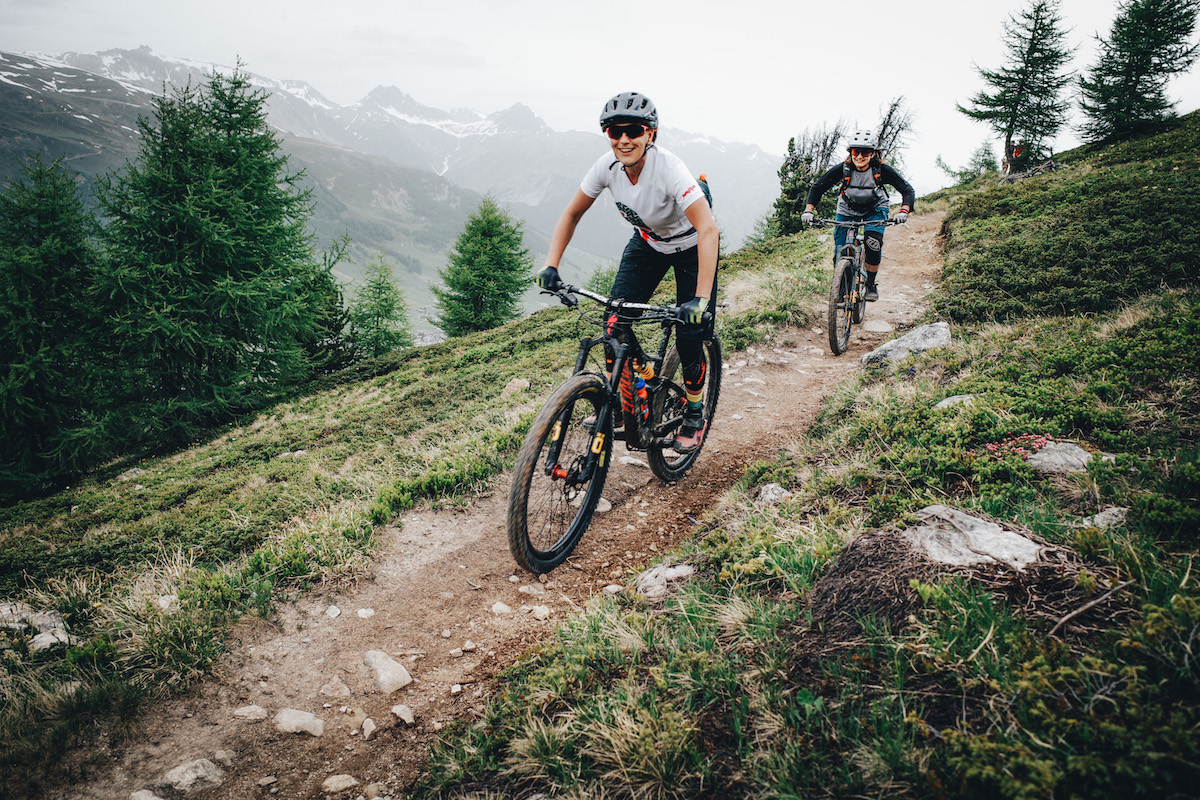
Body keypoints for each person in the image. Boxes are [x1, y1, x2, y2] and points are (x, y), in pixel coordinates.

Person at [536, 92, 719, 453]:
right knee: (614, 324)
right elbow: (572, 213)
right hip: (648, 245)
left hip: (691, 247)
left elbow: (708, 230)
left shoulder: (668, 169)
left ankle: (695, 412)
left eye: (633, 130)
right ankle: (622, 403)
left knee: (689, 335)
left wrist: (699, 299)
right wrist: (551, 265)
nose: (623, 139)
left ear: (651, 134)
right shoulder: (605, 167)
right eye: (614, 130)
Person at [801, 130, 915, 301]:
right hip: (847, 209)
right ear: (850, 152)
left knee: (873, 243)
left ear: (873, 153)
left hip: (875, 209)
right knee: (840, 248)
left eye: (865, 152)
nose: (860, 156)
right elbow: (818, 187)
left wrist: (904, 211)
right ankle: (841, 284)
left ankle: (871, 284)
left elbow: (907, 190)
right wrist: (808, 210)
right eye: (855, 151)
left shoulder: (881, 170)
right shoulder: (844, 169)